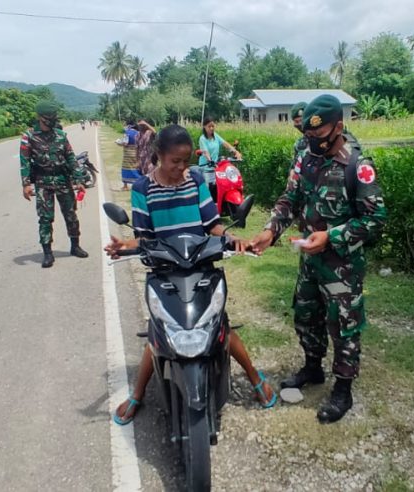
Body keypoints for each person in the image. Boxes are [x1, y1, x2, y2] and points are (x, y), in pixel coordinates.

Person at [105, 125, 277, 425]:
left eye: (186, 161)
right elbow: (144, 236)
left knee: (219, 324)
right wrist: (126, 245)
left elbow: (212, 224)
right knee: (158, 332)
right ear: (159, 155)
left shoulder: (195, 179)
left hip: (201, 266)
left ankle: (255, 378)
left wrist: (231, 238)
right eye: (175, 161)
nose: (182, 168)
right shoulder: (143, 189)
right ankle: (137, 394)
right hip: (164, 271)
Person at [249, 95, 387, 424]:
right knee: (306, 314)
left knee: (344, 325)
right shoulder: (307, 158)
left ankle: (342, 389)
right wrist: (270, 231)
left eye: (319, 135)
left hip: (342, 265)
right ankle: (313, 367)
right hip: (309, 260)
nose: (312, 142)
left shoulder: (357, 165)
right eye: (307, 136)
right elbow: (290, 198)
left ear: (338, 127)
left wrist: (332, 236)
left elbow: (375, 219)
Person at [20, 101, 89, 267]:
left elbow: (71, 158)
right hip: (43, 183)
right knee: (45, 219)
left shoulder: (61, 135)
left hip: (62, 180)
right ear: (39, 117)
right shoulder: (28, 137)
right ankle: (48, 253)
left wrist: (78, 179)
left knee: (71, 215)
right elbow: (25, 162)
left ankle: (75, 246)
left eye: (53, 118)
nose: (51, 121)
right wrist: (26, 184)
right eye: (47, 118)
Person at [196, 117, 241, 185]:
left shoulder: (216, 136)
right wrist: (210, 161)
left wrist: (235, 152)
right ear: (204, 126)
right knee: (208, 191)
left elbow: (225, 144)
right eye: (209, 126)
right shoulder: (202, 139)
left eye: (213, 126)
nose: (211, 128)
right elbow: (205, 152)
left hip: (216, 168)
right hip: (206, 169)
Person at [117, 120, 140, 191]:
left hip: (128, 154)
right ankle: (138, 184)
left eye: (125, 124)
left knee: (125, 168)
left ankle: (125, 186)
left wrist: (118, 142)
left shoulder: (127, 133)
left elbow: (125, 143)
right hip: (136, 153)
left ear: (129, 125)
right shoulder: (138, 133)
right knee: (135, 168)